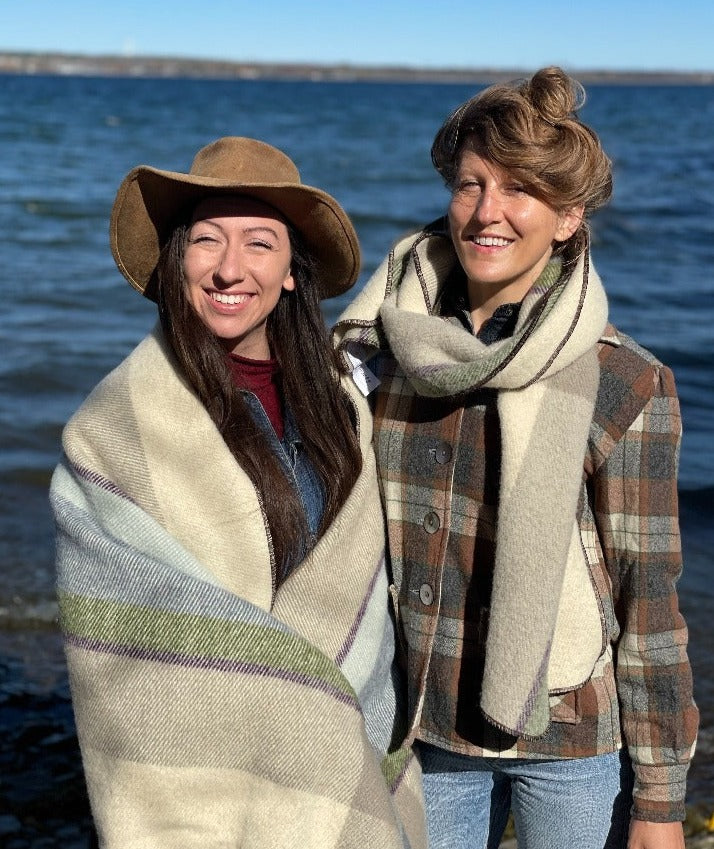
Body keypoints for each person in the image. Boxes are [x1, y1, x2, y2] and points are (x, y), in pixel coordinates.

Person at [333, 67, 698, 849]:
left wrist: (661, 802)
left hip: (570, 736)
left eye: (520, 190)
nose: (487, 212)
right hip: (424, 724)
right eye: (471, 184)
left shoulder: (625, 380)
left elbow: (649, 603)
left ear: (568, 217)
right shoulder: (378, 350)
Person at [50, 137, 426, 849]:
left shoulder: (342, 406)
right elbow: (129, 652)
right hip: (207, 787)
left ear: (291, 272)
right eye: (206, 241)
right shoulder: (112, 433)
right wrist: (294, 698)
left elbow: (361, 593)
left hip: (345, 754)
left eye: (260, 243)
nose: (229, 267)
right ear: (176, 261)